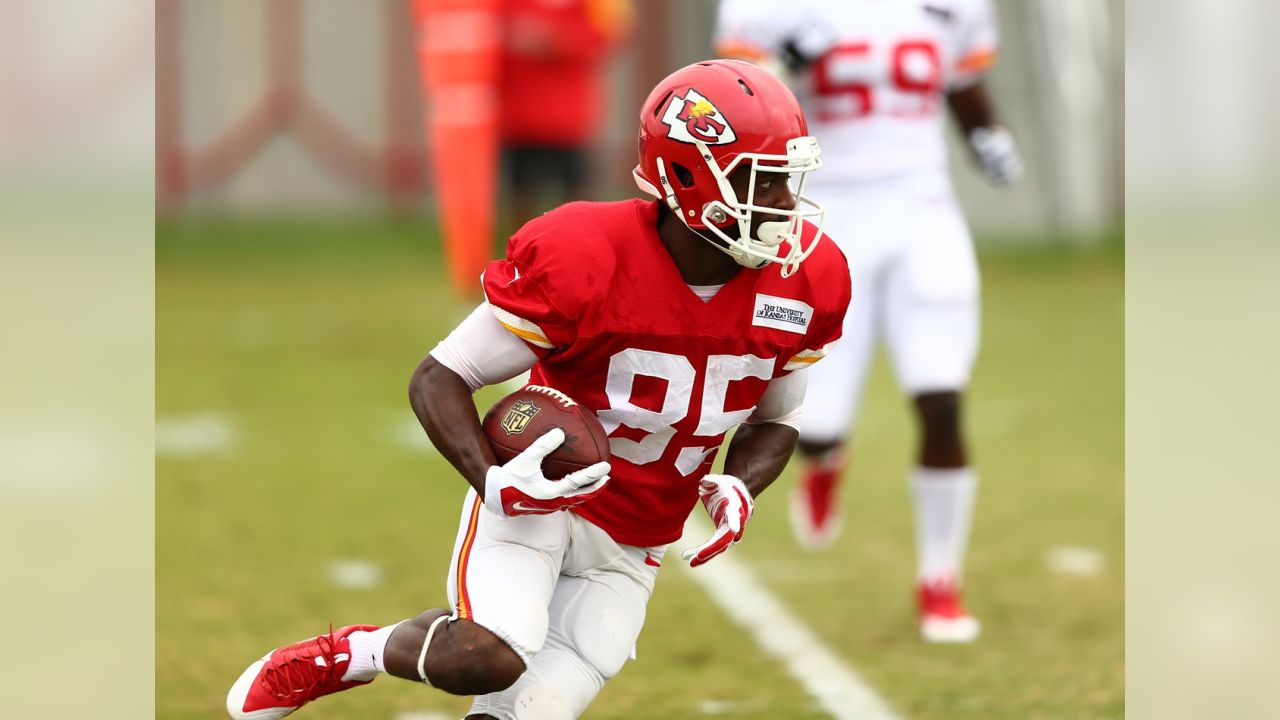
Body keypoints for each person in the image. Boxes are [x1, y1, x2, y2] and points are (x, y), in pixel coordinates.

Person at [225, 59, 850, 720]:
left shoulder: (809, 277)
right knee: (483, 657)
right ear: (687, 176)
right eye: (763, 180)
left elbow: (779, 418)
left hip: (636, 544)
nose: (783, 202)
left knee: (521, 714)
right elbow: (441, 376)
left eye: (788, 178)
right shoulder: (587, 254)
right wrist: (495, 482)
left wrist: (741, 484)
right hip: (541, 500)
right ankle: (346, 656)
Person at [715, 0, 1024, 644]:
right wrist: (783, 60)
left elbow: (961, 81)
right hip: (829, 213)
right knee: (816, 426)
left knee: (941, 396)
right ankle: (827, 459)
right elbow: (725, 104)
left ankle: (940, 578)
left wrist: (985, 134)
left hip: (922, 205)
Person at [499, 0, 633, 228]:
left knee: (576, 200)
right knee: (522, 195)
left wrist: (556, 41)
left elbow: (613, 33)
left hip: (570, 120)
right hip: (519, 118)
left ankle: (576, 250)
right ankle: (521, 254)